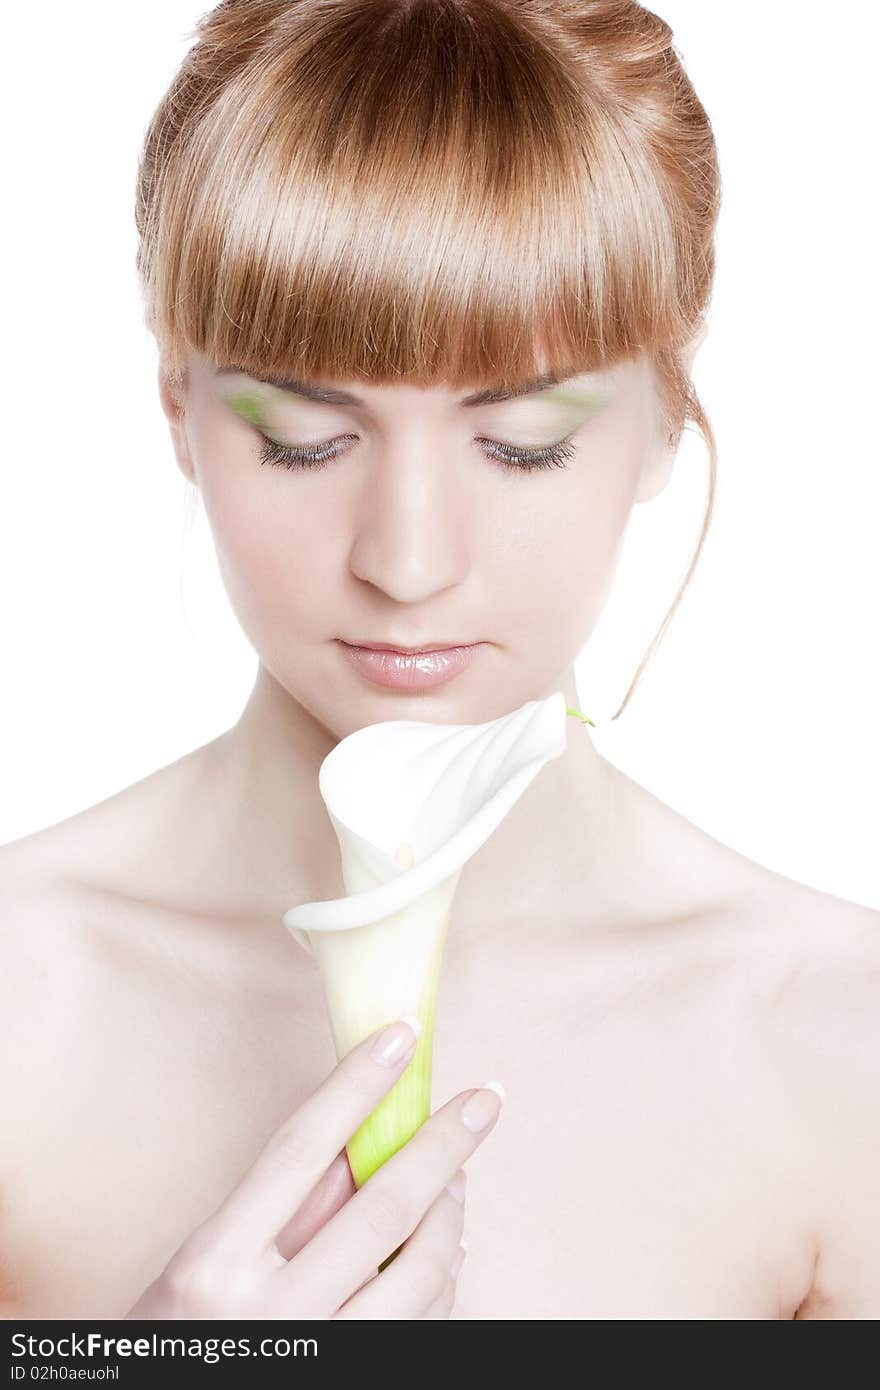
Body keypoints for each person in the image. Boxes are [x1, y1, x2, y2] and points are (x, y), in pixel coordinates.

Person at [1, 0, 877, 1321]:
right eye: (304, 436)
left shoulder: (835, 1049)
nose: (407, 562)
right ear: (178, 401)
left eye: (522, 442)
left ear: (661, 417)